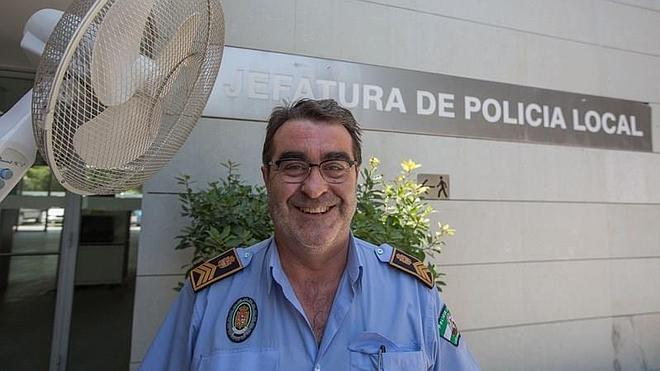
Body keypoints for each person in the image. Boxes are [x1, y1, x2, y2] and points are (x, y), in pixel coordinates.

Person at [140, 99, 480, 370]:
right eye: (293, 166)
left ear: (355, 177)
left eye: (334, 167)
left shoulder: (414, 296)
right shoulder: (209, 297)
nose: (315, 189)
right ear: (266, 177)